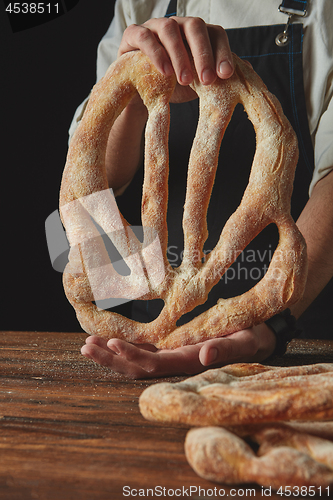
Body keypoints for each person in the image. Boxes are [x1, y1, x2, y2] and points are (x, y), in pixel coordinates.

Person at [68, 0, 333, 378]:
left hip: (292, 336)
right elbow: (96, 180)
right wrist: (137, 92)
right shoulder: (141, 5)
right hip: (144, 327)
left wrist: (268, 326)